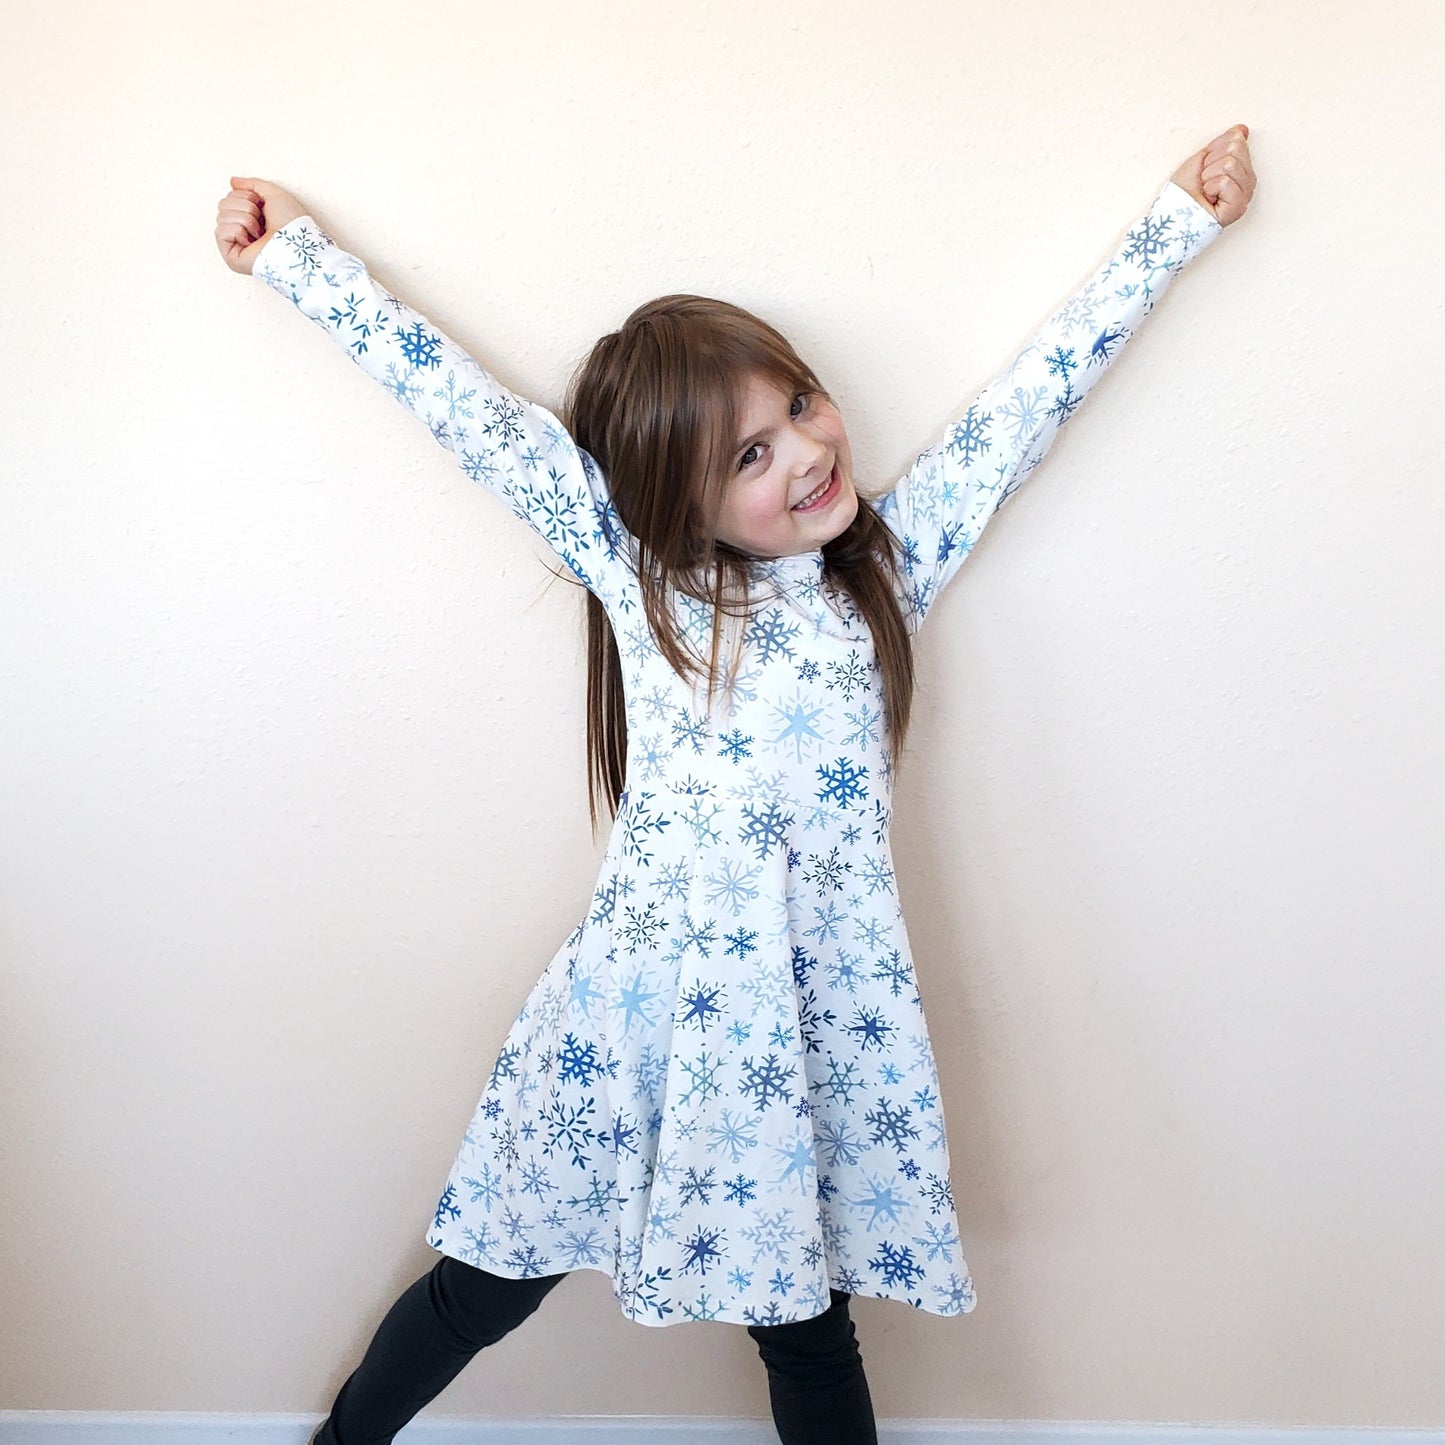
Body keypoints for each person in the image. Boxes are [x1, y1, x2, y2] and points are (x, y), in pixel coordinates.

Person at [213, 126, 1256, 1445]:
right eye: (747, 456)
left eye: (799, 408)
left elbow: (1030, 402)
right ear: (672, 503)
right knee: (488, 1277)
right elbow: (466, 413)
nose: (804, 454)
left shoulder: (884, 571)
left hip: (801, 1033)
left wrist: (1179, 223)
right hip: (633, 1017)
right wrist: (295, 258)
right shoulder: (644, 580)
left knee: (807, 1325)